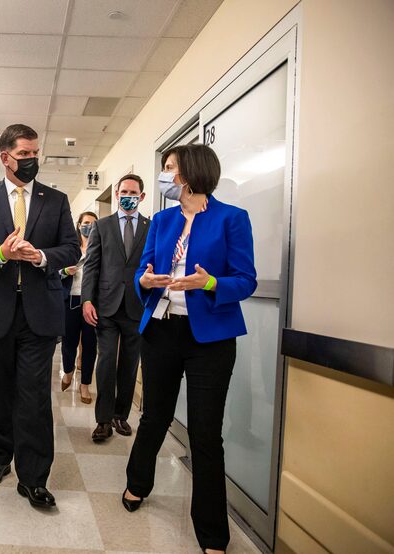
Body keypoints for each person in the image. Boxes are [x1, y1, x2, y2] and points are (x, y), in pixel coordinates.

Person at [122, 144, 256, 554]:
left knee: (204, 434)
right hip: (162, 331)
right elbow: (143, 272)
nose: (164, 175)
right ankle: (138, 482)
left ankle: (213, 533)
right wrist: (144, 282)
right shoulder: (162, 221)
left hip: (210, 341)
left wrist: (209, 283)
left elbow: (246, 280)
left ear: (188, 173)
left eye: (168, 168)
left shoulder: (232, 219)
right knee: (154, 418)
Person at [0, 124, 79, 509]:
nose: (32, 160)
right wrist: (2, 254)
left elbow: (72, 248)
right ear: (5, 157)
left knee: (33, 399)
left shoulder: (55, 200)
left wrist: (42, 257)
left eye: (35, 153)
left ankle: (34, 477)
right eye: (24, 154)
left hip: (39, 315)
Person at [82, 174, 150, 441]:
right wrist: (87, 299)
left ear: (141, 196)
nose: (127, 196)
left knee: (130, 363)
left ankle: (120, 415)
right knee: (107, 361)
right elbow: (92, 266)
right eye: (123, 191)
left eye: (133, 192)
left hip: (137, 304)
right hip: (106, 305)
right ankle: (103, 420)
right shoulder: (103, 226)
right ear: (117, 194)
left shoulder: (150, 227)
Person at [59, 212, 99, 404]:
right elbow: (54, 272)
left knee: (90, 345)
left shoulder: (100, 248)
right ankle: (68, 371)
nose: (88, 227)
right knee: (69, 342)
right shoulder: (70, 249)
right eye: (85, 223)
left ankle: (85, 385)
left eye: (92, 224)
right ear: (78, 225)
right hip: (70, 301)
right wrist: (66, 271)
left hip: (92, 303)